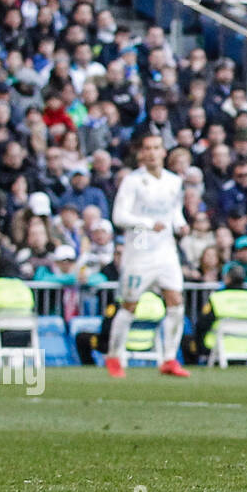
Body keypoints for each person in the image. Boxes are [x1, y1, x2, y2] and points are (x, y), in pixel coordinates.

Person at [108, 132, 189, 378]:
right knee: (130, 305)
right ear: (141, 154)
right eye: (148, 148)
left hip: (166, 251)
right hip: (139, 252)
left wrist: (181, 225)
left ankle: (169, 359)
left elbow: (174, 210)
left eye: (157, 147)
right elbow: (119, 216)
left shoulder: (174, 181)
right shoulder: (132, 181)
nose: (152, 152)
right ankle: (114, 357)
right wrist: (146, 222)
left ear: (164, 152)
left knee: (176, 301)